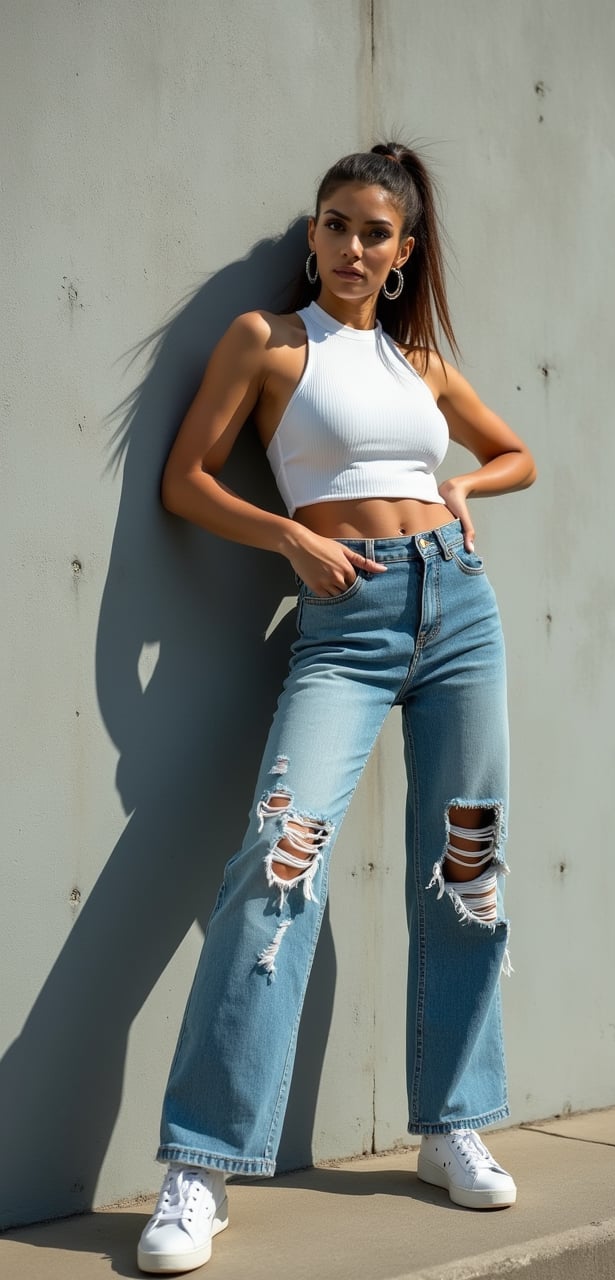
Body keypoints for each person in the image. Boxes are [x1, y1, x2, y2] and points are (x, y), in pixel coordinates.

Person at [137, 141, 536, 1274]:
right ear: (312, 236)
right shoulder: (270, 343)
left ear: (403, 254)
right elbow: (186, 477)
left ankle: (452, 1120)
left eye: (376, 232)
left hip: (459, 611)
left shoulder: (419, 362)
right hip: (346, 622)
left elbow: (517, 453)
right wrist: (290, 534)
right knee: (279, 858)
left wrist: (460, 484)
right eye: (335, 225)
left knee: (468, 867)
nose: (353, 247)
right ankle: (201, 1163)